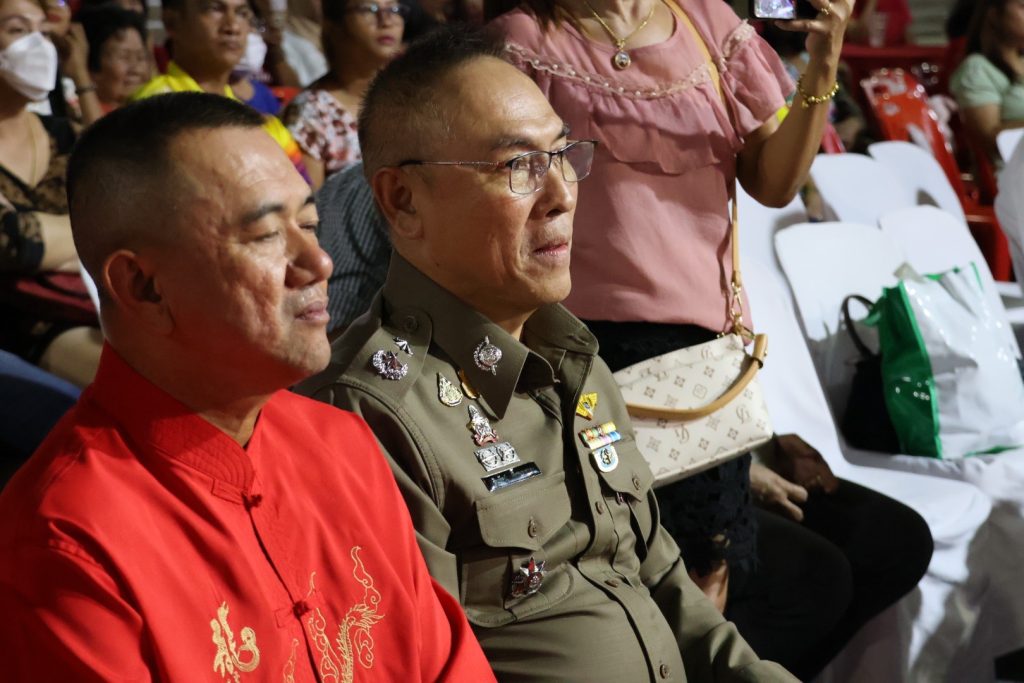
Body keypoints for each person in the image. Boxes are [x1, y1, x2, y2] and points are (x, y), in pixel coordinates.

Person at [298, 27, 797, 682]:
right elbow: (420, 663)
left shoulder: (574, 357)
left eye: (563, 154)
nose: (562, 193)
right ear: (403, 200)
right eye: (519, 166)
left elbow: (662, 580)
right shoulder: (369, 414)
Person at [487, 0, 930, 677]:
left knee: (869, 544)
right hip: (587, 357)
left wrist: (824, 58)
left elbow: (775, 184)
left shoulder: (705, 23)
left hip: (709, 363)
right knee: (714, 580)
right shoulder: (527, 38)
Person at [0, 92, 497, 681]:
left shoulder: (343, 444)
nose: (318, 263)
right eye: (265, 236)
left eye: (308, 224)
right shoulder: (68, 535)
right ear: (143, 287)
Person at [0, 0, 102, 386]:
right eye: (18, 30)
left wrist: (48, 239)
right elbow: (14, 242)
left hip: (96, 307)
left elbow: (132, 220)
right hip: (19, 327)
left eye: (43, 32)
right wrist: (91, 238)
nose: (39, 46)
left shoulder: (67, 135)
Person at [132, 0, 305, 174]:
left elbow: (303, 188)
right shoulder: (156, 107)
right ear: (171, 22)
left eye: (242, 13)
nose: (233, 27)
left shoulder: (268, 126)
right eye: (214, 9)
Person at [283, 0, 405, 188]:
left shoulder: (413, 97)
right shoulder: (312, 114)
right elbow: (309, 203)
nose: (386, 21)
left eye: (393, 9)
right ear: (334, 26)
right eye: (369, 9)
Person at [950, 0, 1024, 164]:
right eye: (1023, 7)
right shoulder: (977, 69)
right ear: (994, 14)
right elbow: (990, 142)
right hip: (1011, 172)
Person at [77, 3, 149, 117]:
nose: (136, 69)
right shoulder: (76, 113)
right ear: (92, 65)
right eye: (124, 57)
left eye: (141, 57)